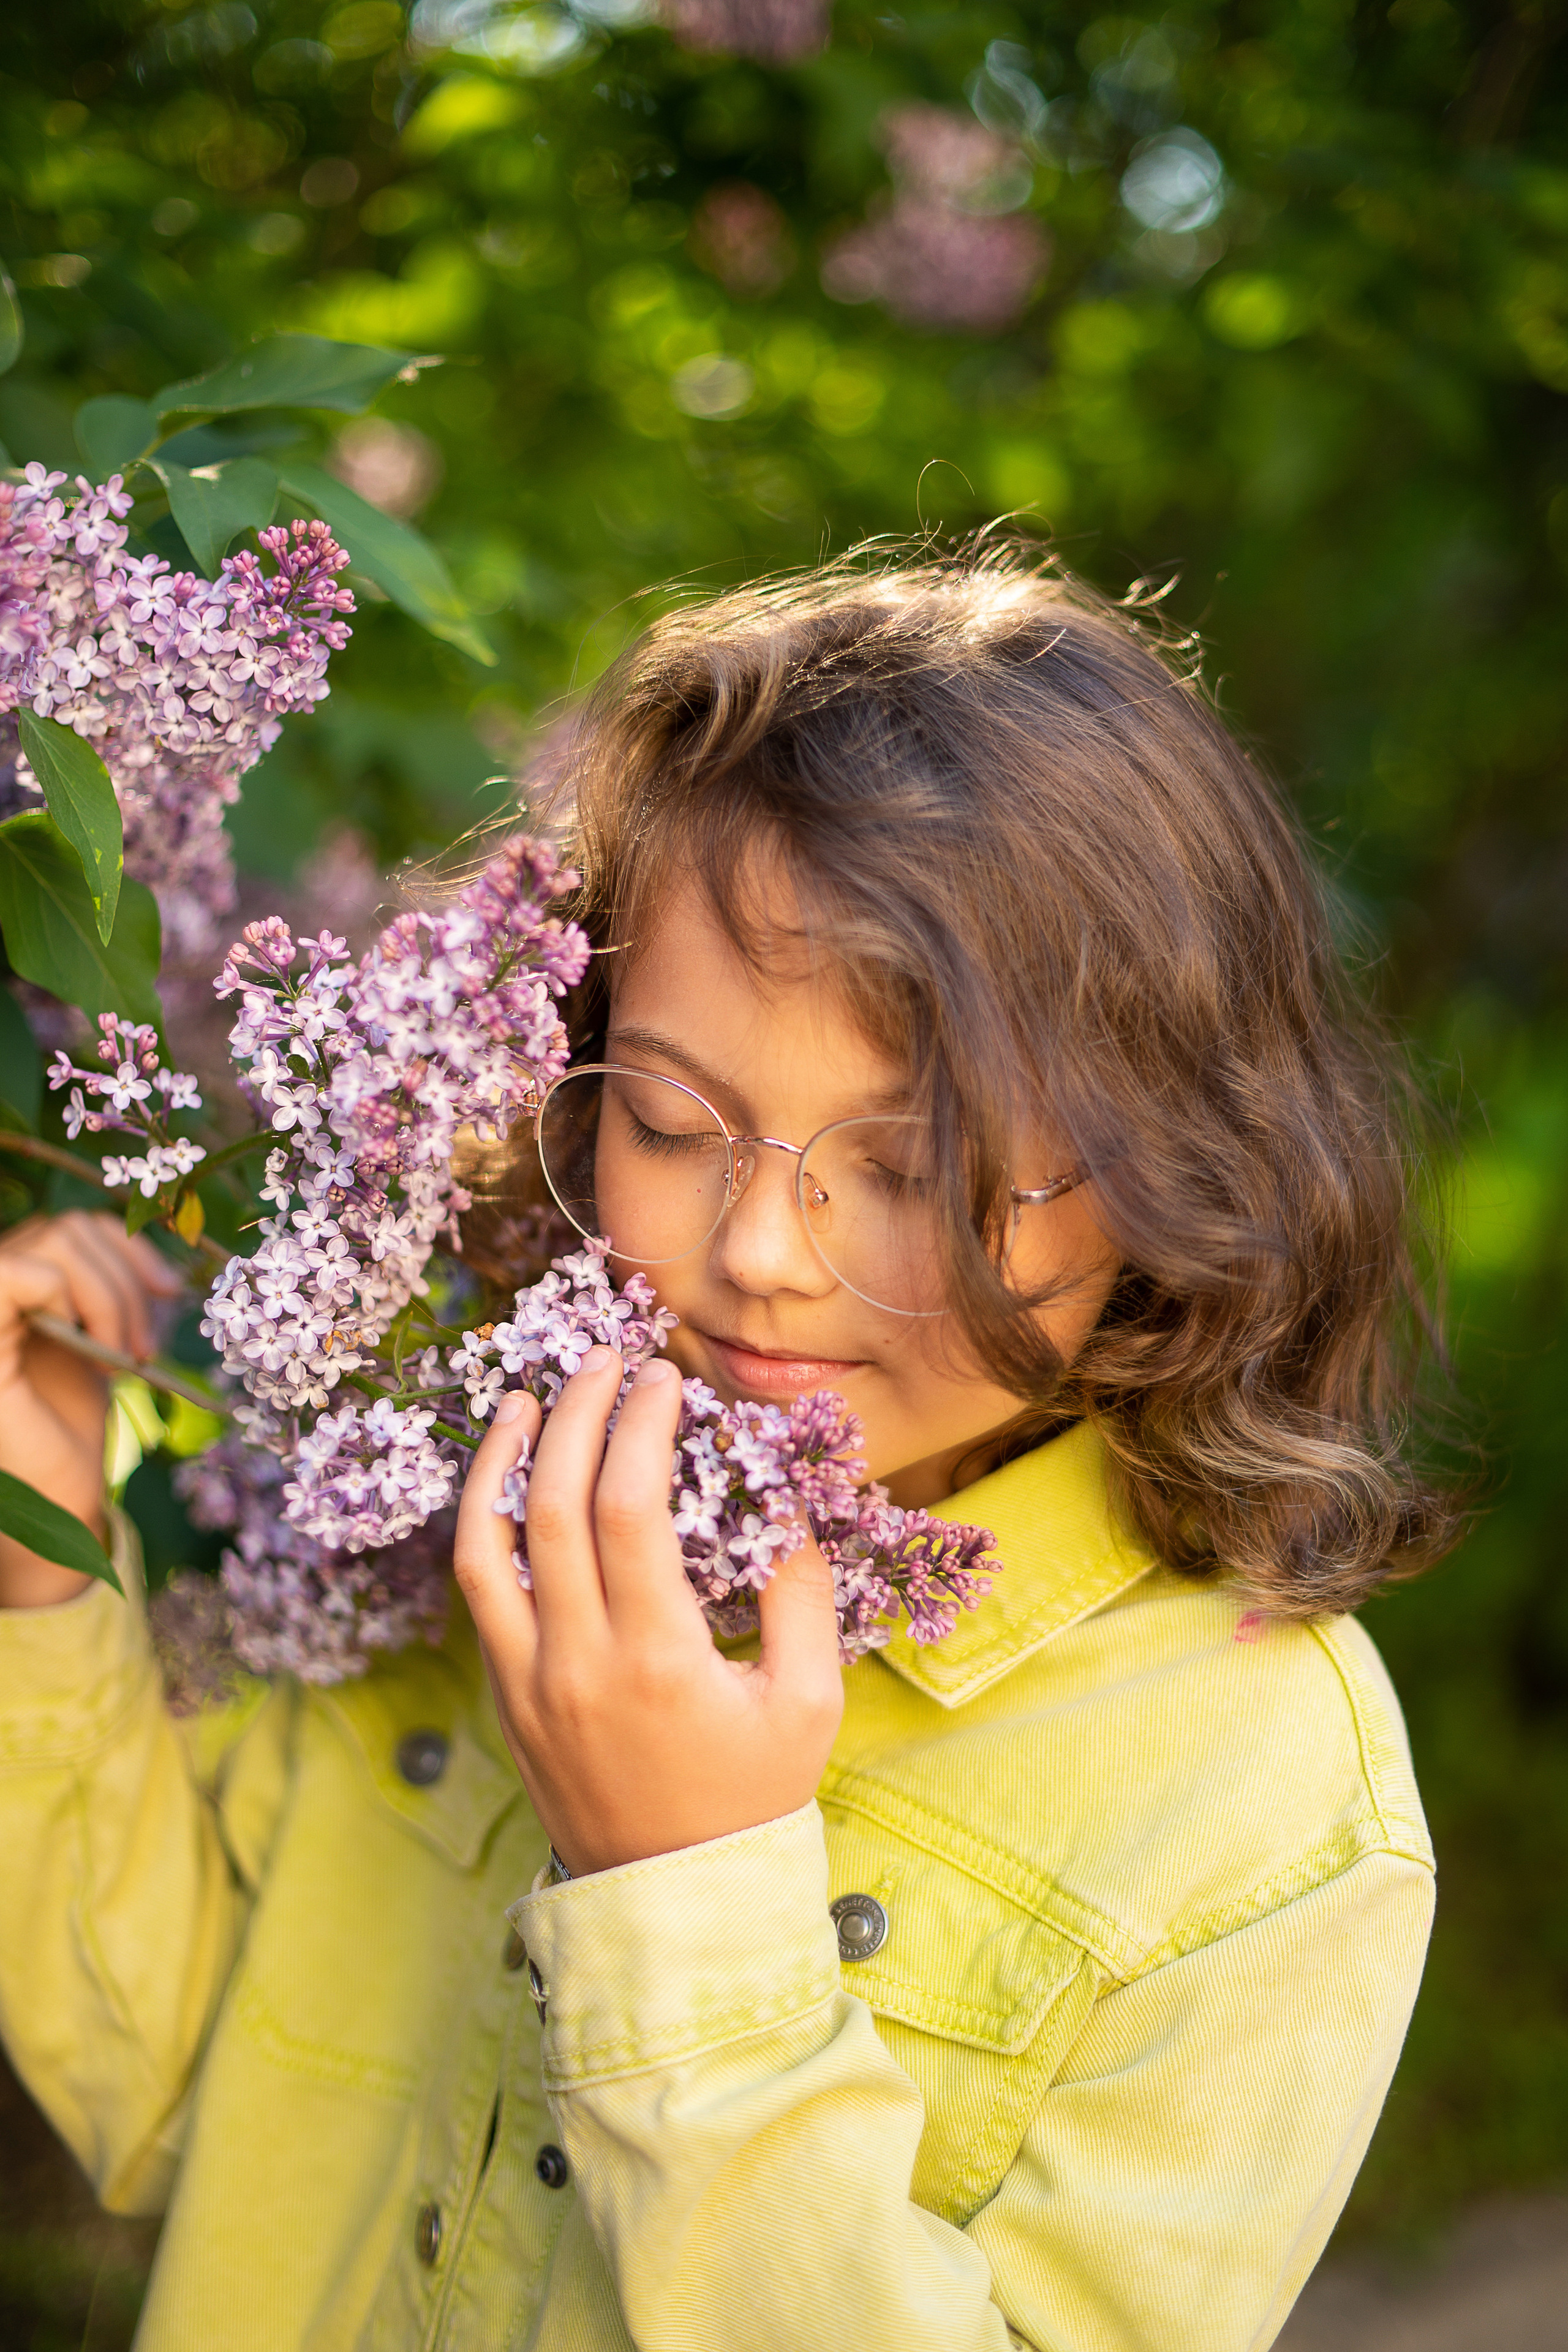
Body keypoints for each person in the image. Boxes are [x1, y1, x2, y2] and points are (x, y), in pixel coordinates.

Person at [0, 549, 1457, 2352]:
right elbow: (165, 2096)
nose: (762, 1254)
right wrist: (38, 1560)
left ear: (1177, 1169)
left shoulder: (1261, 1807)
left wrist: (680, 1902)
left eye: (916, 1168)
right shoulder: (489, 1505)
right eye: (676, 1126)